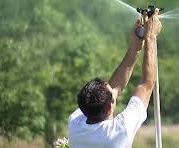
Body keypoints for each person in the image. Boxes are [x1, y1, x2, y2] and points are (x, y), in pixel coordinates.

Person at [68, 9, 162, 148]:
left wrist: (135, 47)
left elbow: (114, 88)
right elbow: (146, 84)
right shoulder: (118, 132)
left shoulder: (76, 125)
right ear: (110, 107)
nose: (112, 88)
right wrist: (151, 37)